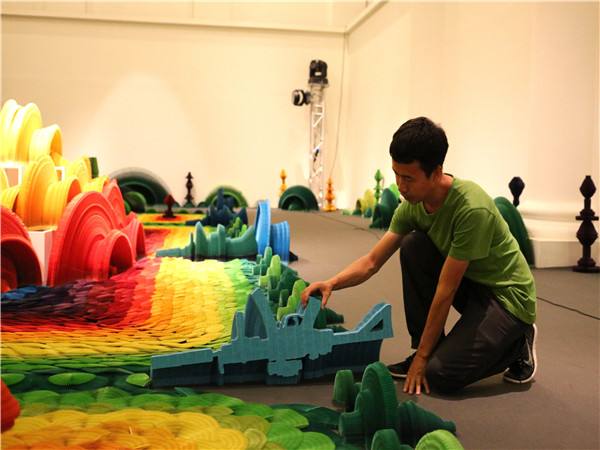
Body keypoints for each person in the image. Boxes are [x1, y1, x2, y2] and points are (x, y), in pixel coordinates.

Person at [301, 117, 537, 395]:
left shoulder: (471, 209)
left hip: (506, 298)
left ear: (436, 172)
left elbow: (446, 290)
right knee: (414, 245)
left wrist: (424, 360)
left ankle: (517, 343)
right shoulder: (413, 205)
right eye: (397, 175)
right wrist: (332, 283)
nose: (401, 186)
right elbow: (371, 262)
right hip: (473, 284)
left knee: (439, 376)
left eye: (409, 178)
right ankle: (432, 347)